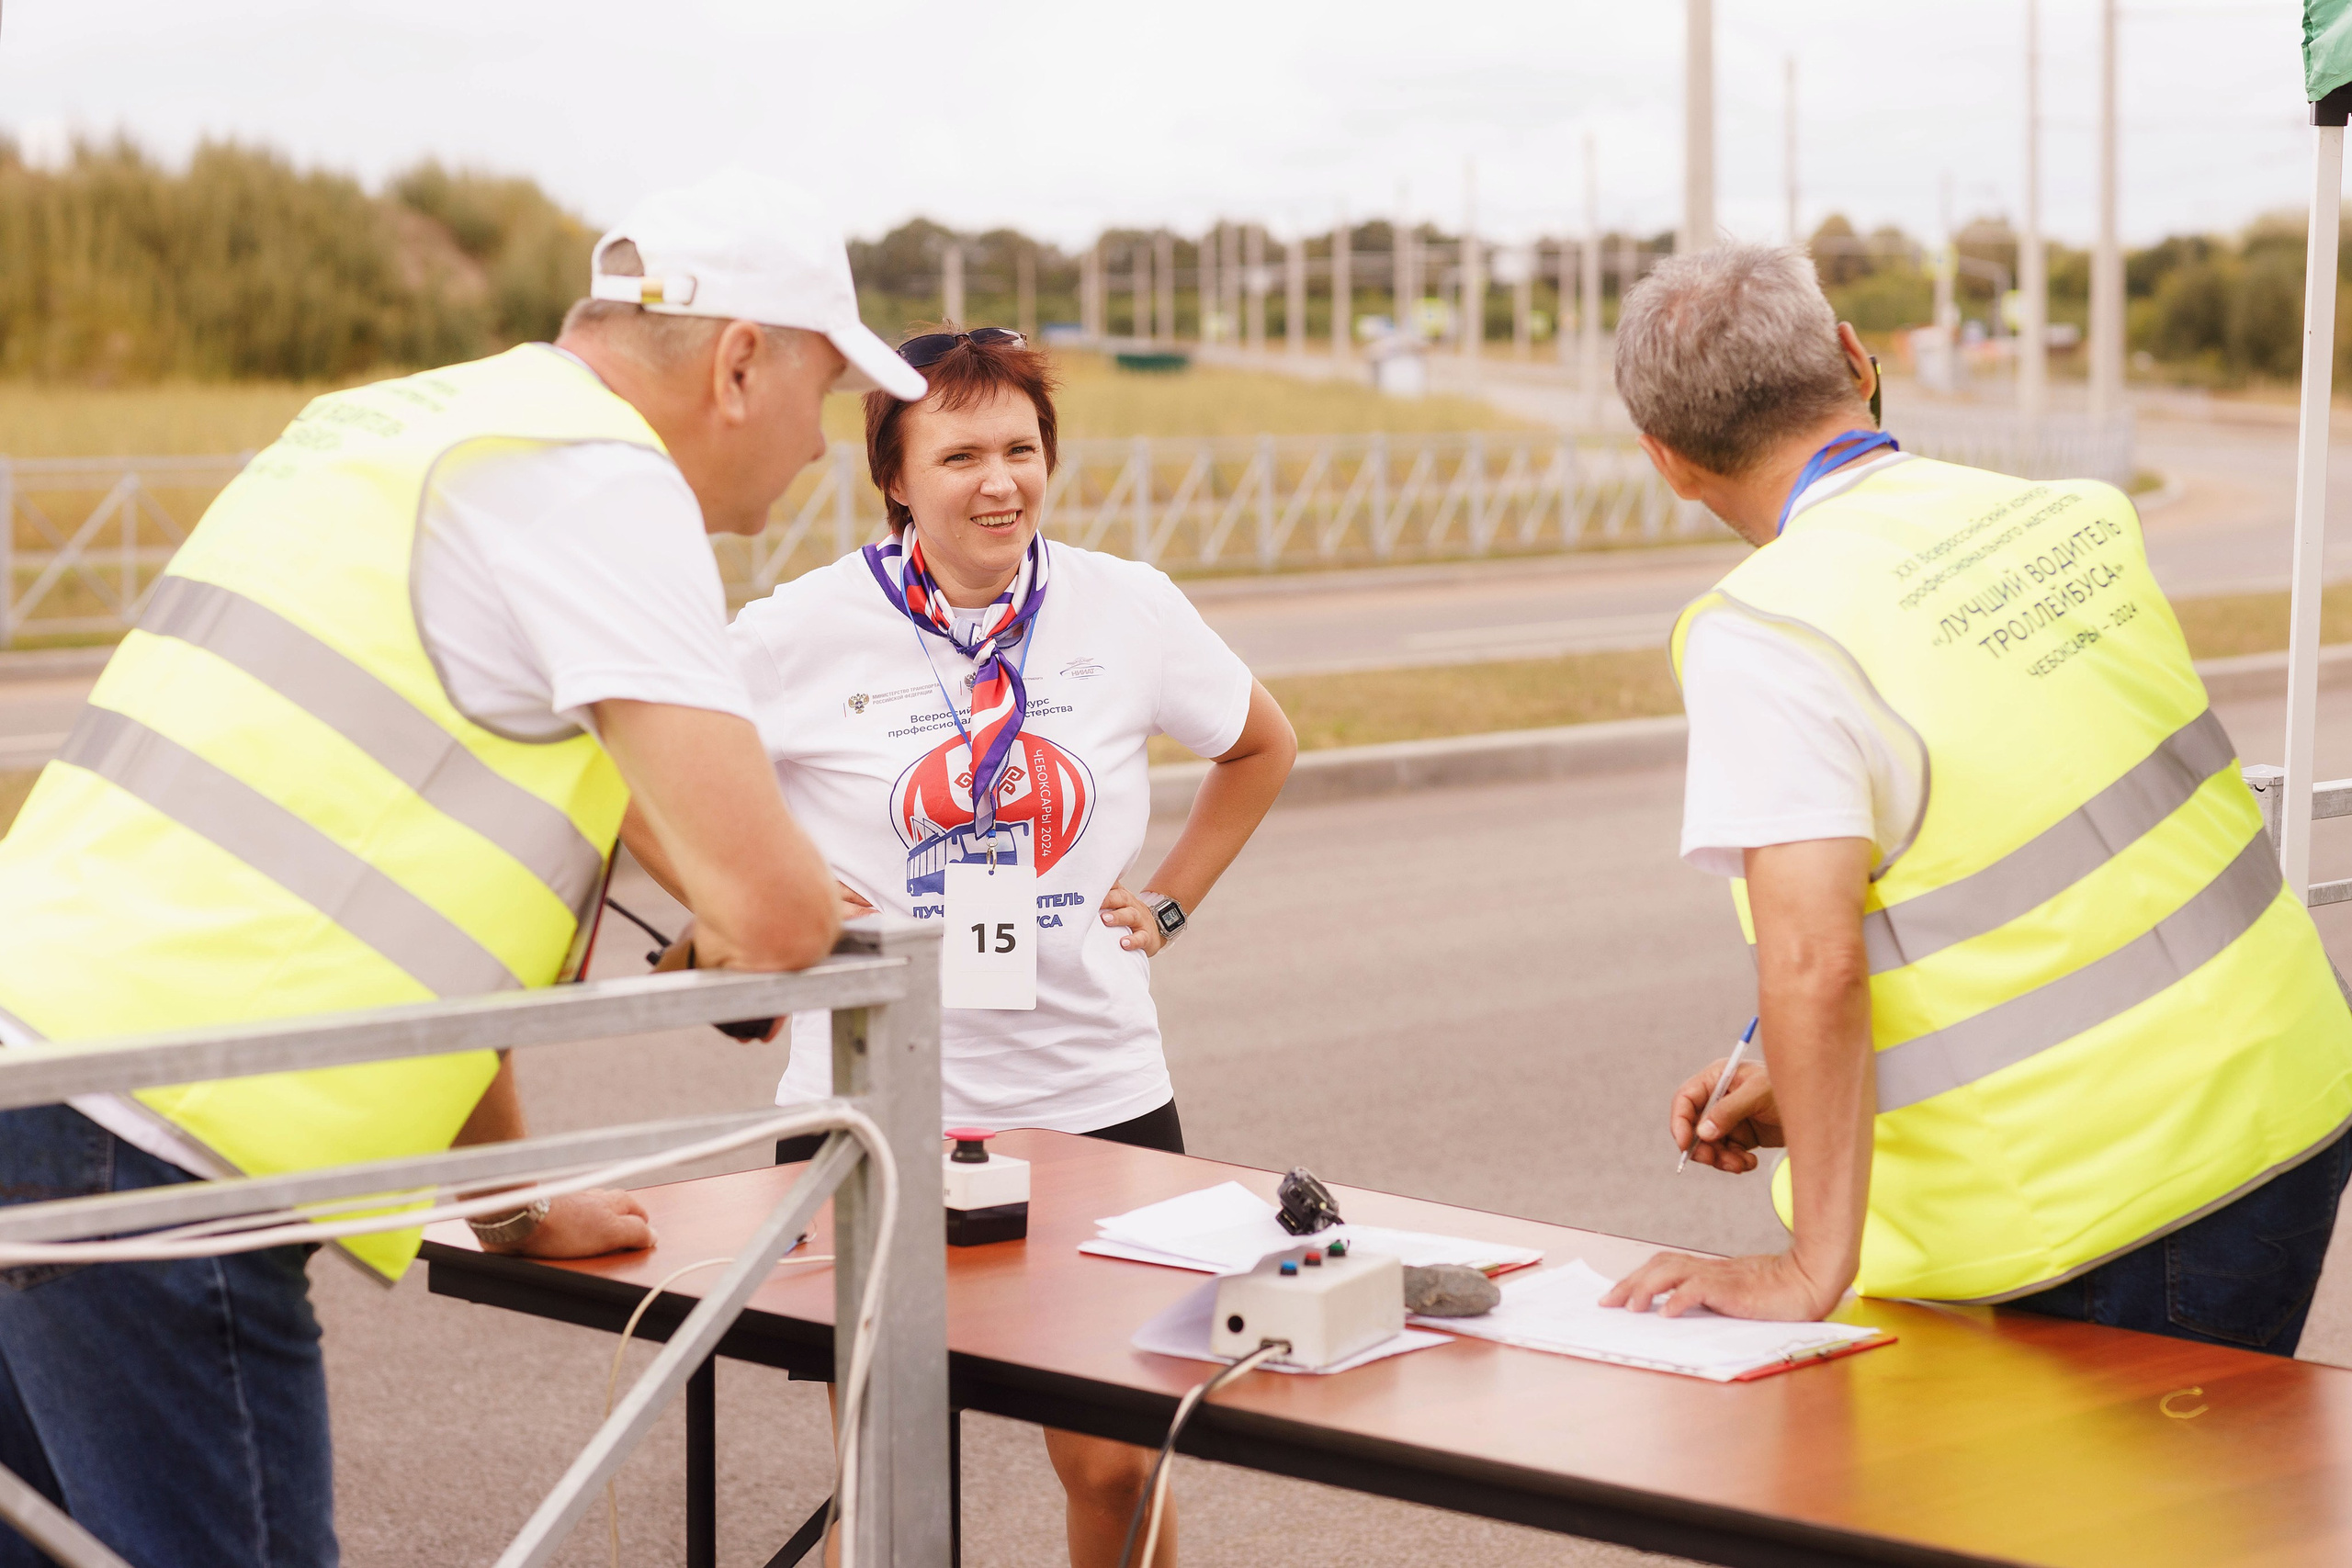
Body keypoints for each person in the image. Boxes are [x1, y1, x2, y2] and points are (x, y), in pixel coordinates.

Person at [0, 170, 925, 1566]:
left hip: (40, 1068)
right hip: (161, 1139)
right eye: (826, 392)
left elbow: (413, 875)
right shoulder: (602, 484)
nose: (823, 444)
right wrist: (736, 920)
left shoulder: (394, 428)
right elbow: (779, 908)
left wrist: (513, 1201)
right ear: (741, 362)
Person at [1598, 243, 2352, 1353]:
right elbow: (2035, 854)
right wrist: (1801, 1082)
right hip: (2288, 1090)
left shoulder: (1765, 633)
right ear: (1857, 360)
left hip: (2114, 1196)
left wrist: (1813, 1268)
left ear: (1665, 460)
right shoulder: (2069, 516)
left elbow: (1816, 961)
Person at [627, 327, 1295, 1566]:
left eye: (1022, 448)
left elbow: (1261, 745)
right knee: (886, 1474)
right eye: (961, 452)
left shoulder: (1128, 606)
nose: (1001, 480)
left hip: (1097, 1089)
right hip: (876, 1106)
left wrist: (1170, 902)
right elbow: (633, 773)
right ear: (894, 473)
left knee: (1118, 1456)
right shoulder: (797, 631)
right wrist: (756, 897)